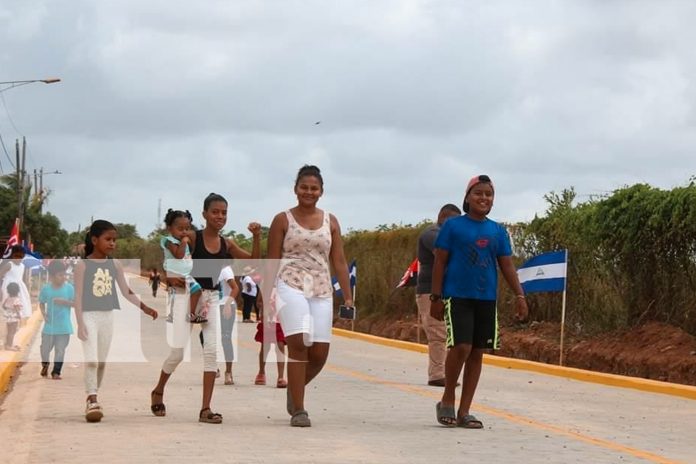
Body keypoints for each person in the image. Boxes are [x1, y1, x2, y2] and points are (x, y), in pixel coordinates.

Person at [150, 193, 261, 424]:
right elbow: (172, 254)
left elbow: (253, 262)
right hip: (184, 296)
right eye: (215, 212)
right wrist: (168, 276)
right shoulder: (191, 236)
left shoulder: (226, 243)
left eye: (224, 212)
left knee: (211, 352)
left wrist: (257, 237)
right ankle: (158, 390)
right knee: (178, 352)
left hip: (211, 299)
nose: (220, 216)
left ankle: (205, 409)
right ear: (204, 214)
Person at [430, 175, 528, 428]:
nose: (484, 198)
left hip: (485, 298)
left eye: (489, 194)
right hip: (457, 296)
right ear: (467, 197)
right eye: (479, 193)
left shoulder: (497, 231)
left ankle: (465, 411)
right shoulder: (453, 227)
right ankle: (448, 397)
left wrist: (520, 295)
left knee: (477, 352)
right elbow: (440, 261)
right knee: (461, 347)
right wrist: (436, 297)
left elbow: (506, 264)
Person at [266, 165, 353, 427]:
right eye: (304, 187)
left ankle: (295, 390)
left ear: (321, 192)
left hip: (321, 289)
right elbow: (271, 260)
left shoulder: (331, 221)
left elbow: (338, 261)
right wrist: (265, 295)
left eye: (314, 188)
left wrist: (348, 298)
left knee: (319, 354)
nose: (308, 192)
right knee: (299, 344)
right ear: (295, 189)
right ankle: (299, 409)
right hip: (289, 284)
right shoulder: (282, 220)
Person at [74, 220, 158, 423]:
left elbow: (126, 291)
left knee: (101, 362)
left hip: (107, 317)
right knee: (92, 359)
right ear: (94, 240)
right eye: (108, 239)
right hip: (88, 315)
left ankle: (93, 393)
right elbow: (77, 296)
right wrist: (80, 323)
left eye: (114, 240)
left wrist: (144, 307)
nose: (112, 243)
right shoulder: (82, 265)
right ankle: (92, 399)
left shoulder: (115, 265)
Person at [416, 204, 461, 387]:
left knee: (447, 333)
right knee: (437, 332)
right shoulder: (432, 233)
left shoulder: (448, 234)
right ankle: (437, 374)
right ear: (444, 217)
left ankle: (444, 372)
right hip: (430, 291)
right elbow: (445, 254)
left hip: (447, 290)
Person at [161, 209, 206, 323]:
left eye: (187, 229)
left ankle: (186, 314)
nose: (184, 232)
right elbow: (179, 255)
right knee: (183, 294)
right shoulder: (169, 241)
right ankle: (181, 315)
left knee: (192, 292)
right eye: (180, 229)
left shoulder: (182, 241)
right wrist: (185, 242)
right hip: (176, 274)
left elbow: (189, 253)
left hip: (185, 274)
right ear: (169, 228)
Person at [198, 264, 240, 385]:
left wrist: (227, 304)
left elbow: (235, 288)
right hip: (213, 306)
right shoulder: (211, 268)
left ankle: (228, 372)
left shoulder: (225, 270)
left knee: (225, 338)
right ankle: (213, 367)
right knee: (203, 336)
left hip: (226, 306)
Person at [38, 260, 75, 379]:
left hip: (64, 327)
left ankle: (56, 372)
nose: (64, 277)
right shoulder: (46, 289)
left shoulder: (69, 288)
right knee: (45, 350)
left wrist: (65, 302)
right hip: (49, 326)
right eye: (60, 275)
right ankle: (45, 365)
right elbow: (41, 303)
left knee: (60, 351)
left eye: (64, 274)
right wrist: (44, 314)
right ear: (52, 276)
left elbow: (76, 304)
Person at [254, 288, 287, 388]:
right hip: (268, 320)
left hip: (281, 320)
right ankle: (261, 372)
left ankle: (280, 377)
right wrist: (263, 307)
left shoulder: (285, 284)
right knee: (265, 347)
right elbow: (258, 301)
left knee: (280, 346)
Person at [0, 245, 33, 322]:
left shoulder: (22, 266)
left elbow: (20, 278)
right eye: (16, 256)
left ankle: (16, 320)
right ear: (12, 255)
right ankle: (8, 321)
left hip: (19, 288)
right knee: (8, 304)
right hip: (8, 287)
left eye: (21, 256)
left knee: (19, 304)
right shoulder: (9, 264)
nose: (18, 258)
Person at [2, 282, 23, 351]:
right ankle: (9, 346)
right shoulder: (17, 299)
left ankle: (9, 344)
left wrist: (8, 310)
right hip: (14, 319)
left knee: (9, 332)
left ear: (8, 291)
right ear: (18, 291)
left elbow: (3, 306)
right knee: (12, 332)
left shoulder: (7, 298)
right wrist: (20, 317)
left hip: (7, 318)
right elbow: (17, 310)